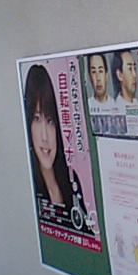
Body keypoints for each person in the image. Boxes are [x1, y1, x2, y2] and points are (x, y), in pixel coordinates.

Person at [24, 64, 89, 230]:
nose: (44, 136)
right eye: (37, 119)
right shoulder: (30, 185)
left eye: (50, 121)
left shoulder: (72, 180)